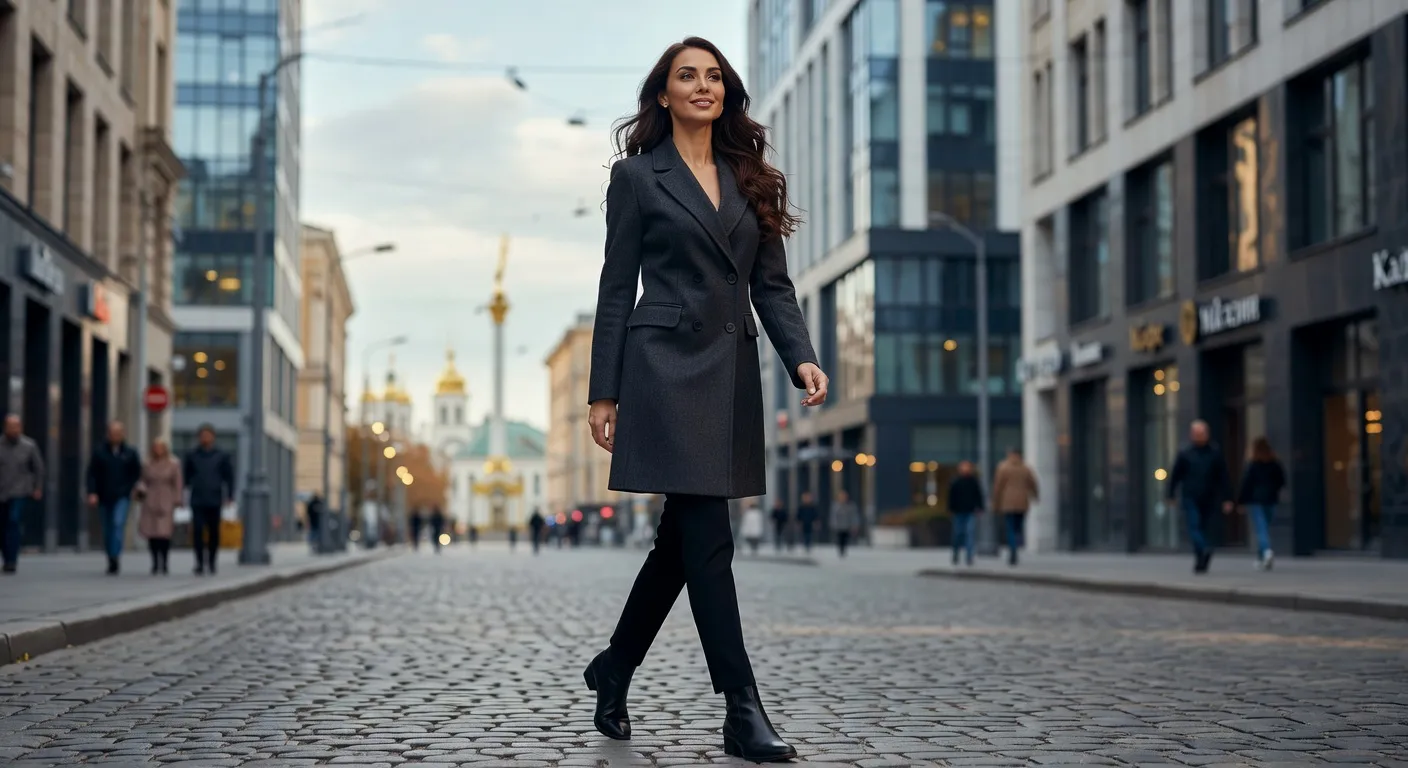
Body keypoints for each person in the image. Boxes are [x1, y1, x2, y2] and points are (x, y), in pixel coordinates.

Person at [581, 37, 826, 763]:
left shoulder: (752, 178)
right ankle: (742, 708)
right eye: (687, 76)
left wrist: (803, 356)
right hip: (661, 368)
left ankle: (615, 666)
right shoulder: (636, 177)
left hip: (728, 371)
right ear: (663, 94)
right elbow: (615, 286)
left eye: (714, 76)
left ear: (727, 93)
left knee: (678, 546)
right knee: (708, 537)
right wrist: (605, 390)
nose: (702, 86)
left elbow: (771, 286)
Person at [1166, 419, 1234, 574]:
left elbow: (1223, 476)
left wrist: (1227, 498)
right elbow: (1175, 475)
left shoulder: (1214, 453)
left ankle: (1200, 560)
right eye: (1196, 433)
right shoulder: (1185, 453)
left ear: (1207, 434)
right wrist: (1170, 494)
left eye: (1201, 433)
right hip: (1190, 496)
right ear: (1191, 435)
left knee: (1203, 527)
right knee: (1194, 526)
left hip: (1209, 496)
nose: (1199, 436)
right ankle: (1204, 549)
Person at [86, 421, 143, 575]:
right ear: (108, 434)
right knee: (107, 528)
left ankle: (115, 556)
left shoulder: (130, 453)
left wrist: (131, 488)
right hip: (104, 495)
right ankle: (110, 555)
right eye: (113, 433)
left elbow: (136, 473)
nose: (115, 436)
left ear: (123, 434)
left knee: (118, 524)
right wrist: (92, 492)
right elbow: (92, 474)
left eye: (118, 433)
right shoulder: (99, 452)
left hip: (122, 495)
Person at [183, 424, 234, 575]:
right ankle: (199, 562)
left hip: (214, 499)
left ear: (213, 437)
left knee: (214, 532)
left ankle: (211, 561)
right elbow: (187, 477)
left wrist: (230, 496)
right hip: (197, 499)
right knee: (197, 531)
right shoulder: (192, 455)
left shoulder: (221, 456)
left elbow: (229, 477)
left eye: (208, 435)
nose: (205, 438)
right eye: (202, 435)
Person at [0, 415, 44, 574]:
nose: (13, 429)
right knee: (3, 525)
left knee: (13, 521)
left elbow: (38, 468)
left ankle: (12, 560)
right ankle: (6, 557)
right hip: (2, 491)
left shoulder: (29, 445)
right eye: (10, 426)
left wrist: (37, 487)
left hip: (20, 490)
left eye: (16, 426)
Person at [1237, 436, 1285, 570]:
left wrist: (1241, 501)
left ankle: (1266, 551)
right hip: (1271, 499)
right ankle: (1261, 557)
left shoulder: (1252, 464)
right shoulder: (1275, 463)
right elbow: (1281, 480)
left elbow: (1246, 483)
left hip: (1255, 500)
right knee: (1265, 528)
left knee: (1260, 528)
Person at [137, 438, 182, 575]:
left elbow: (178, 482)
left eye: (160, 447)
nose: (158, 450)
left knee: (164, 533)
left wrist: (177, 499)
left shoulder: (173, 463)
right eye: (155, 447)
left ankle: (165, 562)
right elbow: (142, 480)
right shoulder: (147, 463)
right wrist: (140, 490)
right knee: (152, 533)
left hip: (166, 498)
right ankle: (155, 562)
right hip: (151, 498)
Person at [991, 447, 1039, 566]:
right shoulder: (1025, 468)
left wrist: (995, 503)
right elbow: (1033, 483)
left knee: (1010, 528)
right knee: (1018, 528)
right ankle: (1016, 546)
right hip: (1022, 502)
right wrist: (1035, 496)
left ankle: (1013, 551)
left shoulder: (1003, 467)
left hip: (1007, 502)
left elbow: (998, 487)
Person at [947, 461, 984, 567]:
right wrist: (951, 509)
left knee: (970, 533)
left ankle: (969, 556)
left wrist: (980, 507)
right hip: (958, 511)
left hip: (970, 511)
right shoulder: (956, 482)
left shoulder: (973, 481)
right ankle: (956, 553)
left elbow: (978, 495)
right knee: (958, 534)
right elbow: (951, 497)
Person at [829, 489, 859, 558]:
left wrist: (854, 525)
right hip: (838, 526)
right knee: (839, 539)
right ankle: (840, 550)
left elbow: (854, 516)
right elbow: (833, 516)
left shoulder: (851, 506)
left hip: (847, 526)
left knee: (845, 539)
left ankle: (844, 549)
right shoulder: (836, 506)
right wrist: (833, 524)